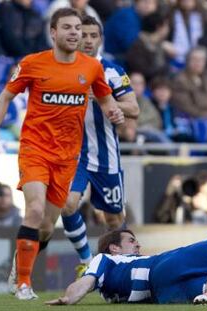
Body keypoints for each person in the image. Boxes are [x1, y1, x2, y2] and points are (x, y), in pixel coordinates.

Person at [0, 8, 126, 300]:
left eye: (78, 28)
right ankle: (24, 283)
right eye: (68, 28)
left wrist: (113, 111)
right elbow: (6, 96)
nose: (75, 33)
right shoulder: (33, 63)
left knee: (46, 226)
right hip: (35, 149)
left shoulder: (91, 68)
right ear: (53, 33)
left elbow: (106, 99)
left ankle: (18, 268)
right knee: (34, 210)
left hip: (67, 157)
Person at [60, 15, 139, 275]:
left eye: (94, 36)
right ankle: (86, 259)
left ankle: (125, 268)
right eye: (84, 35)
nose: (88, 41)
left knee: (114, 220)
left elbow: (134, 108)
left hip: (106, 156)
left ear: (100, 39)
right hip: (73, 154)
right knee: (67, 204)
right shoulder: (60, 69)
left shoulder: (113, 71)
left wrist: (105, 100)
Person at [45, 229, 207, 305]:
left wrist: (70, 298)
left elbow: (88, 285)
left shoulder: (108, 284)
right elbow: (84, 282)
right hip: (161, 267)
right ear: (114, 248)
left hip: (163, 295)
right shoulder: (103, 259)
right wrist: (69, 297)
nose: (137, 244)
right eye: (131, 240)